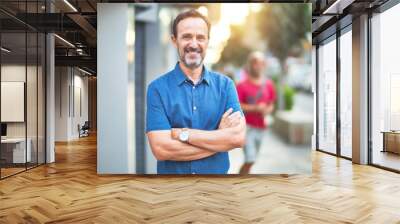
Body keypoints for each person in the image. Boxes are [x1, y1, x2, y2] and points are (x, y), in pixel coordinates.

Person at [146, 9, 246, 174]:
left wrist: (184, 134)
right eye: (186, 37)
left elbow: (237, 138)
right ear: (174, 40)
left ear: (207, 41)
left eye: (200, 37)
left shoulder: (226, 86)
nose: (193, 44)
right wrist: (219, 137)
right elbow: (162, 149)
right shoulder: (157, 89)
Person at [236, 51, 276, 174]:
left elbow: (271, 104)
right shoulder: (241, 85)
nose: (258, 66)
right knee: (250, 159)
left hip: (261, 128)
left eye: (261, 63)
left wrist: (267, 110)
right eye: (255, 63)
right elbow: (237, 106)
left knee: (252, 160)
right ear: (250, 65)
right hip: (246, 128)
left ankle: (244, 177)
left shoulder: (269, 84)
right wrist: (256, 108)